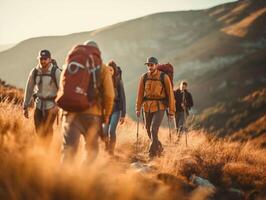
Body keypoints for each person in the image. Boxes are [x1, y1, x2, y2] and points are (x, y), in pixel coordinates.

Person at [60, 41, 115, 163]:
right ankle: (83, 177)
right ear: (97, 52)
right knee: (92, 151)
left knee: (68, 150)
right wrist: (106, 116)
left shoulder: (71, 63)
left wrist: (63, 112)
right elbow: (110, 95)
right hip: (92, 114)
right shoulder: (102, 68)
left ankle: (63, 179)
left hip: (70, 112)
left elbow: (63, 87)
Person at [136, 56, 175, 158]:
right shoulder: (144, 77)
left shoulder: (164, 77)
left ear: (156, 65)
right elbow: (140, 94)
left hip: (160, 107)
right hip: (147, 107)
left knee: (154, 129)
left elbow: (170, 95)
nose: (149, 67)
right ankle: (160, 148)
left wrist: (171, 111)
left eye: (151, 65)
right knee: (148, 130)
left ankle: (151, 154)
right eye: (148, 65)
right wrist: (138, 108)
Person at [23, 49, 61, 146]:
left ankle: (46, 150)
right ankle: (42, 148)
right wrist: (25, 106)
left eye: (45, 59)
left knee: (47, 129)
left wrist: (59, 106)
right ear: (38, 59)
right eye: (41, 58)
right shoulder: (35, 72)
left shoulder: (56, 72)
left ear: (49, 59)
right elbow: (29, 89)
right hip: (38, 105)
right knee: (38, 130)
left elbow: (62, 89)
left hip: (52, 106)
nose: (43, 61)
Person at [103, 61, 126, 155]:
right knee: (104, 132)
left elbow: (123, 98)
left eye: (111, 70)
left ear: (114, 71)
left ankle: (111, 151)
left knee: (111, 131)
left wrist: (123, 114)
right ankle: (106, 150)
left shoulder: (118, 82)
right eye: (107, 70)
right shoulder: (103, 81)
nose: (109, 71)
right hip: (105, 111)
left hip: (116, 110)